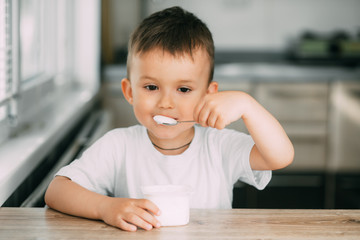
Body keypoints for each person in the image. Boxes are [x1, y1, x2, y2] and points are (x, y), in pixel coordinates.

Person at [45, 6, 294, 232]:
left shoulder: (219, 146)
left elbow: (280, 157)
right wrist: (105, 208)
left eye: (183, 90)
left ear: (209, 95)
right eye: (151, 87)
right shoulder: (118, 146)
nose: (166, 103)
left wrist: (247, 105)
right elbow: (56, 191)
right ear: (130, 92)